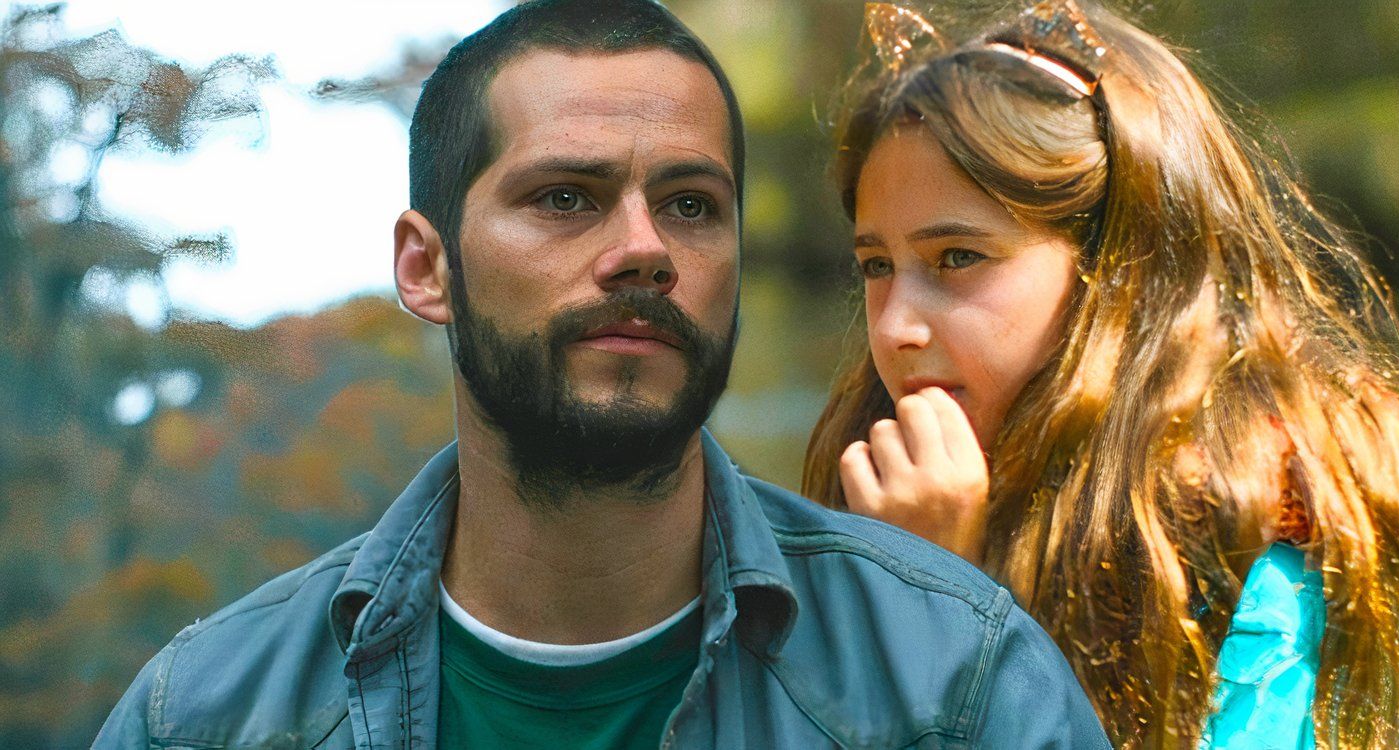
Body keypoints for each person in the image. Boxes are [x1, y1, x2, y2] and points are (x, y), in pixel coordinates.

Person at [94, 1, 1110, 748]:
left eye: (690, 205)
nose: (645, 249)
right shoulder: (208, 715)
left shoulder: (956, 681)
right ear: (427, 265)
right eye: (567, 197)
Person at [802, 1, 1399, 748]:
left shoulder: (1246, 555)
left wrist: (938, 600)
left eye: (958, 258)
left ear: (1119, 274)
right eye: (877, 265)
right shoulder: (874, 499)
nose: (896, 326)